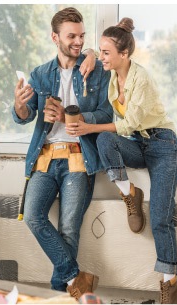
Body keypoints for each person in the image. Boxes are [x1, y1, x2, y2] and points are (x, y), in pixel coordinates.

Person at [66, 18, 177, 304]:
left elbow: (128, 124)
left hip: (163, 146)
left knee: (160, 217)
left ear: (125, 55)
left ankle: (172, 285)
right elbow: (86, 51)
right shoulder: (110, 71)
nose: (102, 57)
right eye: (102, 52)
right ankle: (129, 193)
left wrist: (88, 128)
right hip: (138, 145)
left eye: (107, 53)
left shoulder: (140, 78)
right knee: (106, 141)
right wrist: (94, 53)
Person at [13, 7, 112, 300]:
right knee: (33, 216)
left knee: (69, 229)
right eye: (72, 36)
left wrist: (74, 116)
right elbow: (24, 115)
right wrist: (20, 104)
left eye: (82, 36)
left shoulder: (95, 69)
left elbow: (106, 112)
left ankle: (61, 295)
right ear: (55, 37)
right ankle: (75, 278)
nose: (78, 41)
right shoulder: (41, 74)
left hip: (79, 158)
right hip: (45, 158)